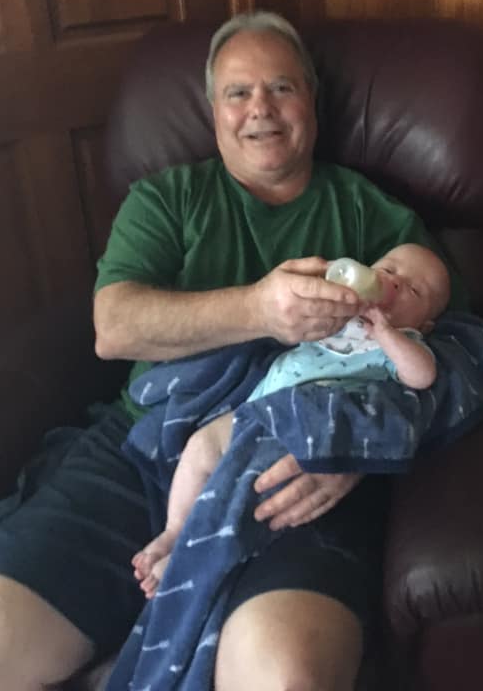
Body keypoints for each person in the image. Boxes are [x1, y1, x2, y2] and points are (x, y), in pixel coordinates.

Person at [0, 10, 463, 691]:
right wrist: (258, 309)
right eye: (237, 92)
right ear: (212, 111)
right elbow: (113, 325)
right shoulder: (167, 199)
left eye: (282, 88)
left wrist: (360, 454)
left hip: (293, 468)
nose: (261, 109)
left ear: (312, 102)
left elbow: (452, 348)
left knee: (285, 678)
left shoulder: (370, 213)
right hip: (145, 449)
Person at [132, 241, 449, 598]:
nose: (394, 282)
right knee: (201, 446)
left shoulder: (403, 341)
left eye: (413, 290)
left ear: (425, 324)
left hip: (300, 431)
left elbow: (422, 376)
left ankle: (189, 558)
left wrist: (388, 335)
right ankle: (175, 529)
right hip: (256, 409)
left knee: (242, 490)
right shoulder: (341, 314)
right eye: (388, 270)